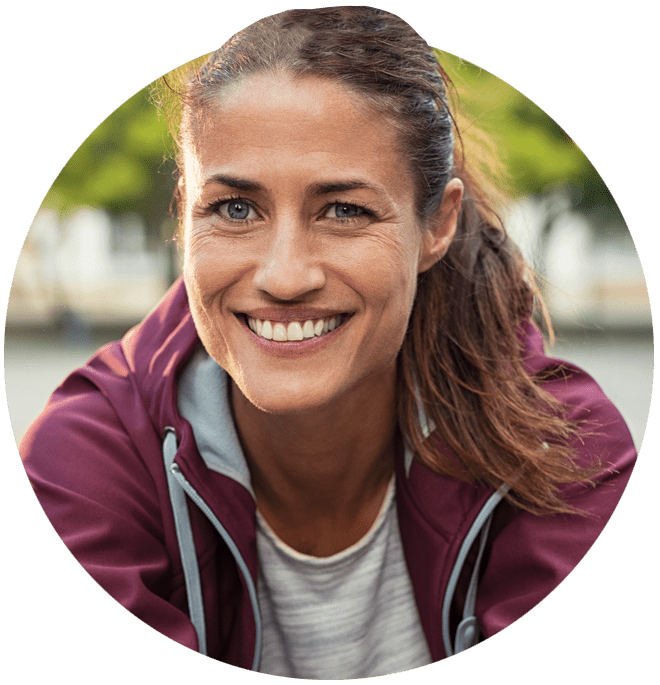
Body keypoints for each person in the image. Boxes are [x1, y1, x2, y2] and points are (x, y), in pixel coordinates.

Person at [21, 6, 636, 679]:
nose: (285, 276)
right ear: (183, 212)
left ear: (438, 225)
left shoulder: (566, 447)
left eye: (345, 210)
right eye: (235, 208)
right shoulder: (84, 458)